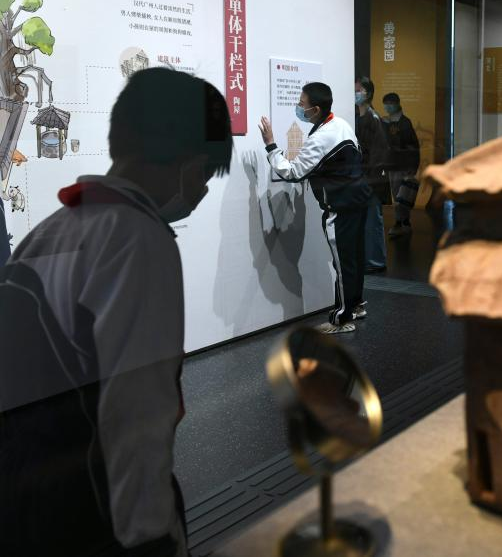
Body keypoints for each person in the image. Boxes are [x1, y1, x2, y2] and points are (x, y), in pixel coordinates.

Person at [0, 67, 233, 557]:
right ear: (190, 164)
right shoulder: (138, 241)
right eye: (206, 176)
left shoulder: (52, 230)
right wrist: (153, 537)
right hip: (94, 514)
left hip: (27, 498)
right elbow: (137, 413)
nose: (201, 191)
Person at [259, 82, 371, 334]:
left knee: (342, 263)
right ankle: (356, 305)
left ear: (316, 109)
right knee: (354, 257)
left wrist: (271, 145)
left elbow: (293, 172)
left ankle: (342, 319)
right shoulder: (340, 124)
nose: (299, 107)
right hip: (358, 199)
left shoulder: (321, 138)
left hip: (340, 206)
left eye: (302, 104)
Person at [354, 77, 390, 273]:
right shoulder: (359, 117)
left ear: (367, 93)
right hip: (363, 178)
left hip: (372, 180)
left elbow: (379, 154)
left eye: (358, 90)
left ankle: (375, 261)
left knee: (372, 221)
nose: (355, 93)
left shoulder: (373, 119)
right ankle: (369, 259)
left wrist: (369, 179)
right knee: (365, 221)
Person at [380, 92, 420, 238]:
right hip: (391, 165)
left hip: (402, 166)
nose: (387, 107)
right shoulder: (385, 122)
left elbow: (413, 147)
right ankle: (403, 222)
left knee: (401, 197)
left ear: (397, 104)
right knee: (397, 196)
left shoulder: (404, 123)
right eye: (386, 104)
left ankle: (402, 223)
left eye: (390, 104)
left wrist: (412, 168)